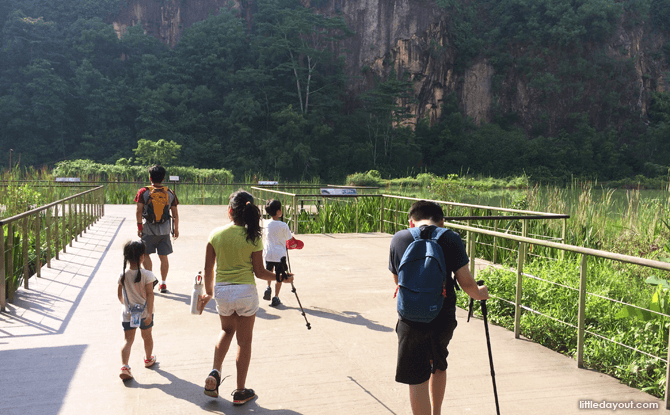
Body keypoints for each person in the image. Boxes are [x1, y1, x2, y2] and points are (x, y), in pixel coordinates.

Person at [388, 200, 489, 415]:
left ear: (411, 222)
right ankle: (437, 413)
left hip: (410, 317)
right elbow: (467, 283)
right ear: (442, 221)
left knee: (417, 378)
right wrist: (481, 294)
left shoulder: (399, 238)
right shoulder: (450, 238)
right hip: (442, 315)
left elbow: (398, 281)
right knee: (438, 364)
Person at [197, 190, 294, 405]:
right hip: (245, 293)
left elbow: (208, 269)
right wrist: (282, 277)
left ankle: (214, 373)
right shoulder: (253, 237)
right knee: (244, 340)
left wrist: (209, 293)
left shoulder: (215, 235)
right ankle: (240, 391)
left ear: (230, 211)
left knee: (226, 330)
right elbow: (260, 273)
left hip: (222, 292)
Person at [135, 165, 179, 293]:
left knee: (145, 254)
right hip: (164, 231)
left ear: (150, 178)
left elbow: (138, 211)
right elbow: (175, 214)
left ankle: (151, 280)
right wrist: (176, 229)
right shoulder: (170, 193)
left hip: (148, 229)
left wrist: (139, 226)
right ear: (163, 178)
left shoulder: (143, 192)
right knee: (163, 257)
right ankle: (164, 283)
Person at [118, 240, 158, 380]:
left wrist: (127, 306)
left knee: (128, 340)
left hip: (128, 314)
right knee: (147, 336)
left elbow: (119, 295)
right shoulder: (148, 275)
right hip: (145, 313)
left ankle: (125, 366)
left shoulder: (123, 276)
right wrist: (149, 313)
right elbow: (150, 294)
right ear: (142, 257)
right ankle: (148, 359)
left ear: (127, 258)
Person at [262, 199, 293, 307]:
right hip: (280, 255)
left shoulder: (265, 223)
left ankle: (268, 287)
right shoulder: (283, 225)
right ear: (279, 211)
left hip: (268, 253)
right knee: (279, 275)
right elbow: (289, 239)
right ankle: (276, 297)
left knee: (269, 272)